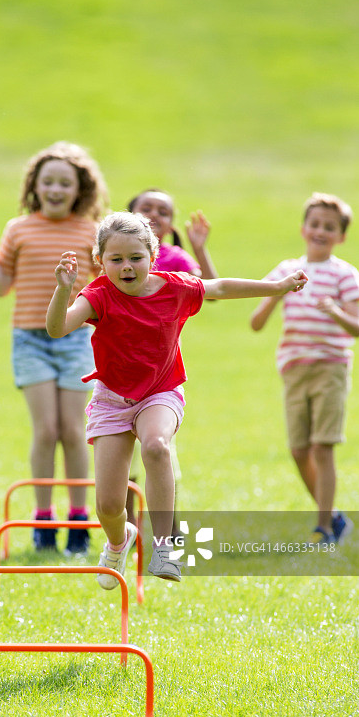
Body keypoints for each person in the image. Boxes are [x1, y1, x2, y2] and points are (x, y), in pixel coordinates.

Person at [46, 211, 308, 586]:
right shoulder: (98, 295)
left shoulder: (176, 287)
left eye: (136, 257)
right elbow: (57, 329)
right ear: (100, 262)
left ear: (152, 256)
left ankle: (165, 546)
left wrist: (278, 286)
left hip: (161, 391)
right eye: (116, 259)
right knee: (107, 504)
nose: (127, 267)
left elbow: (220, 287)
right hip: (112, 398)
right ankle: (119, 543)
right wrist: (63, 288)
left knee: (156, 446)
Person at [0, 141, 109, 554]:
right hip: (30, 340)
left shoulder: (90, 231)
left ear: (79, 189)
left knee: (73, 430)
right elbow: (0, 287)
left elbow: (105, 287)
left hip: (76, 337)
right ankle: (43, 519)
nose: (55, 189)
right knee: (45, 430)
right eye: (48, 181)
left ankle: (80, 519)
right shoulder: (19, 228)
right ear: (35, 185)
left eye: (65, 183)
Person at [250, 193, 359, 545]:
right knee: (299, 450)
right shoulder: (286, 271)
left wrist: (335, 312)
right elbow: (256, 323)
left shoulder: (345, 274)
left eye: (330, 227)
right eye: (315, 224)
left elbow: (356, 327)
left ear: (341, 236)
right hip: (294, 368)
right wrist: (276, 295)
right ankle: (334, 518)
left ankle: (324, 529)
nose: (320, 231)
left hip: (330, 366)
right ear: (303, 229)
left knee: (322, 447)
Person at [126, 189, 219, 533]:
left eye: (163, 211)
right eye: (145, 208)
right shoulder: (117, 255)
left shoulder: (176, 259)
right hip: (118, 373)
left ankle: (166, 532)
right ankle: (125, 531)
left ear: (170, 223)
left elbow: (211, 290)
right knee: (123, 461)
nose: (154, 214)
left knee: (161, 450)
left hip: (160, 375)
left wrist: (199, 249)